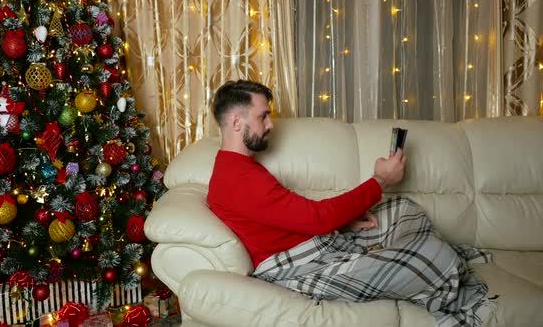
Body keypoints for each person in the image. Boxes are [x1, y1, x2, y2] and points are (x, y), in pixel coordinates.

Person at [207, 80, 495, 327]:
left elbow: (294, 215)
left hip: (315, 243)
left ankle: (395, 255)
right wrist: (379, 182)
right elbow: (317, 218)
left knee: (404, 210)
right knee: (437, 257)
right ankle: (411, 257)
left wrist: (345, 221)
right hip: (302, 266)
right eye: (263, 117)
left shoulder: (239, 167)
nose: (271, 125)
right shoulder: (239, 178)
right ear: (236, 122)